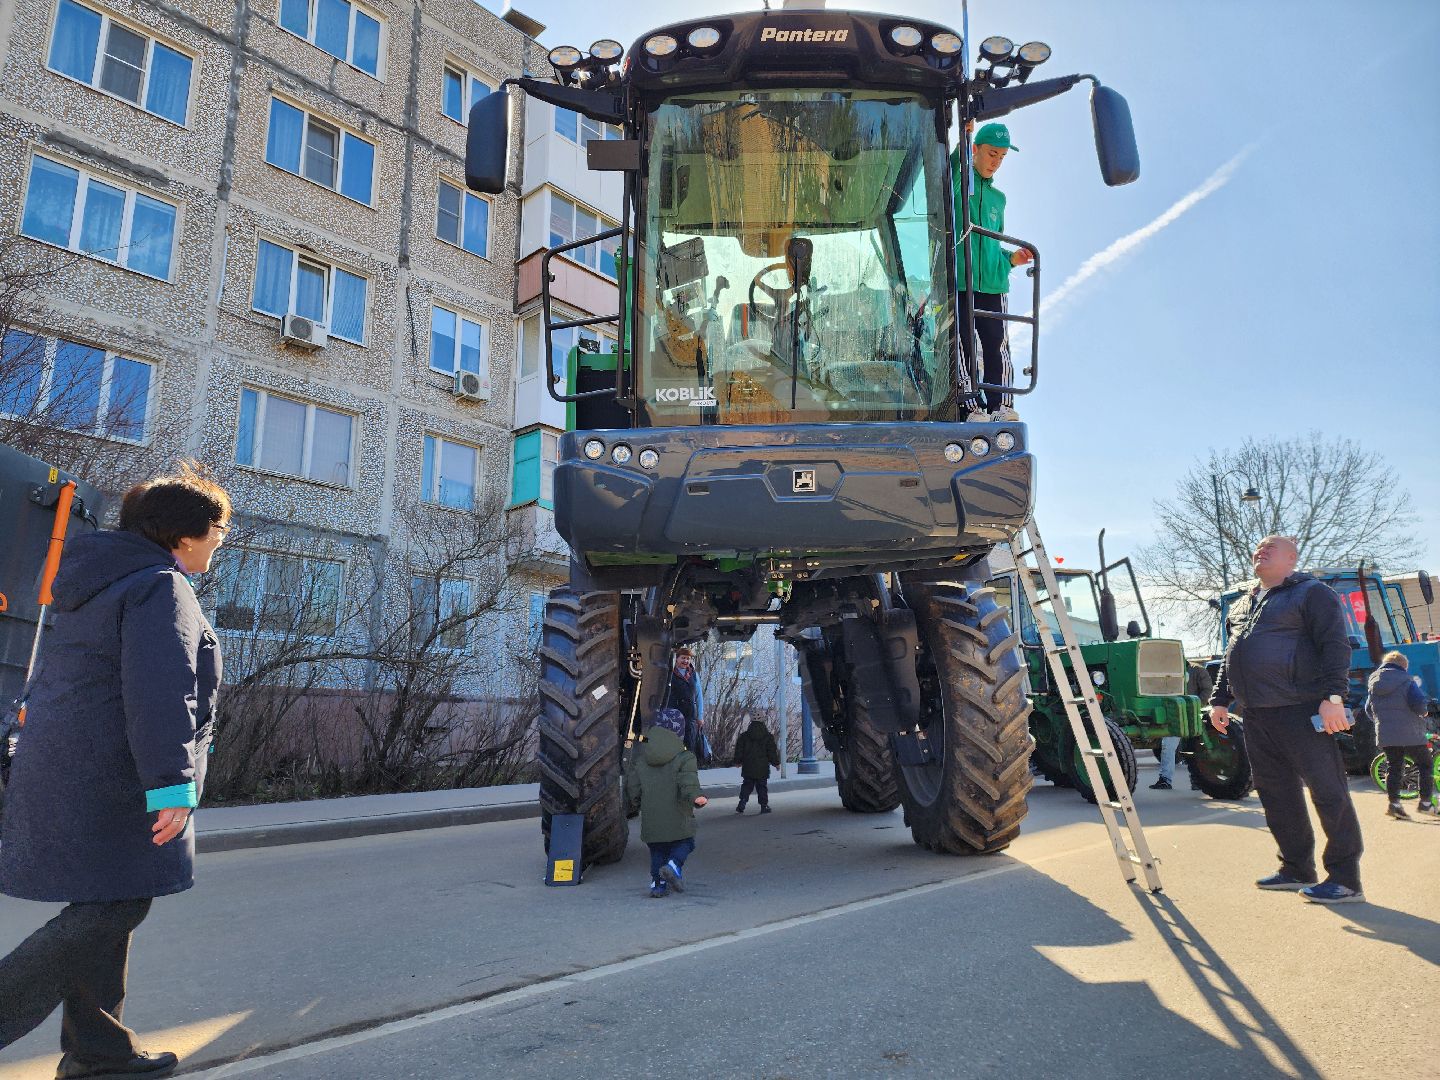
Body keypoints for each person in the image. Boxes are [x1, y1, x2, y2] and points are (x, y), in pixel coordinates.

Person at [0, 463, 231, 1074]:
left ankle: (99, 1054)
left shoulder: (102, 580)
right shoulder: (159, 585)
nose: (218, 543)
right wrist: (171, 785)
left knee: (108, 903)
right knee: (116, 907)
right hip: (114, 777)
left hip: (69, 765)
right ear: (183, 535)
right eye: (216, 532)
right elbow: (161, 693)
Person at [1210, 535, 1364, 904]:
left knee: (1328, 792)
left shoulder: (1312, 593)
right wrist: (1219, 700)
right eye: (1258, 547)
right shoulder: (1243, 603)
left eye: (1271, 547)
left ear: (1292, 558)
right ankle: (1296, 869)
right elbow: (1232, 655)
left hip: (1302, 708)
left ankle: (1345, 879)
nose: (1260, 550)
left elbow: (1335, 645)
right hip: (1256, 714)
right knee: (1276, 794)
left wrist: (1333, 698)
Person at [951, 121, 1033, 421]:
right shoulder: (960, 183)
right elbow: (952, 167)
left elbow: (992, 245)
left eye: (1002, 157)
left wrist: (1012, 259)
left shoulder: (999, 199)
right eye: (991, 154)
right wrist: (964, 136)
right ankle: (971, 406)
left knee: (996, 345)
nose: (996, 162)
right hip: (962, 281)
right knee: (964, 342)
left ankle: (1001, 406)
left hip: (994, 284)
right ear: (976, 150)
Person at [625, 708, 707, 898]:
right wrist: (696, 797)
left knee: (657, 851)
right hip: (678, 815)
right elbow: (688, 782)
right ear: (679, 731)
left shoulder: (641, 759)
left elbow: (633, 787)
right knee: (687, 842)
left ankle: (658, 885)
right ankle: (673, 866)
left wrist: (636, 804)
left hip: (652, 818)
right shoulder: (685, 757)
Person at [1365, 651, 1435, 819]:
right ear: (1403, 666)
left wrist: (1382, 722)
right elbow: (1419, 704)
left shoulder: (1373, 683)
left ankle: (1394, 805)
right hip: (1410, 733)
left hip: (1386, 734)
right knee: (1425, 764)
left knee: (1394, 767)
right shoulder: (1407, 680)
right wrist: (1424, 713)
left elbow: (1368, 709)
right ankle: (1425, 804)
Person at [1154, 660, 1215, 790]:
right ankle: (1165, 780)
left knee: (1194, 748)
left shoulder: (1198, 670)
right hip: (1175, 716)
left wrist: (1196, 706)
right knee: (1168, 746)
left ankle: (1196, 781)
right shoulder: (1169, 672)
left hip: (1193, 716)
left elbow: (1207, 690)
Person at [732, 715, 781, 814]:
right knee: (762, 787)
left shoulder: (744, 736)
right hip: (762, 767)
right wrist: (776, 763)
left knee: (747, 785)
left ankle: (742, 801)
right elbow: (771, 752)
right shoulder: (768, 737)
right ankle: (764, 806)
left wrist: (737, 761)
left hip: (748, 766)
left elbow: (739, 751)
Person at [667, 646, 708, 765]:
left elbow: (699, 696)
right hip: (674, 716)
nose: (686, 661)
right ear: (677, 658)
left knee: (689, 744)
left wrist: (700, 716)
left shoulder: (694, 675)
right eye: (683, 658)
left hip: (690, 716)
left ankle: (688, 768)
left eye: (688, 658)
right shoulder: (669, 673)